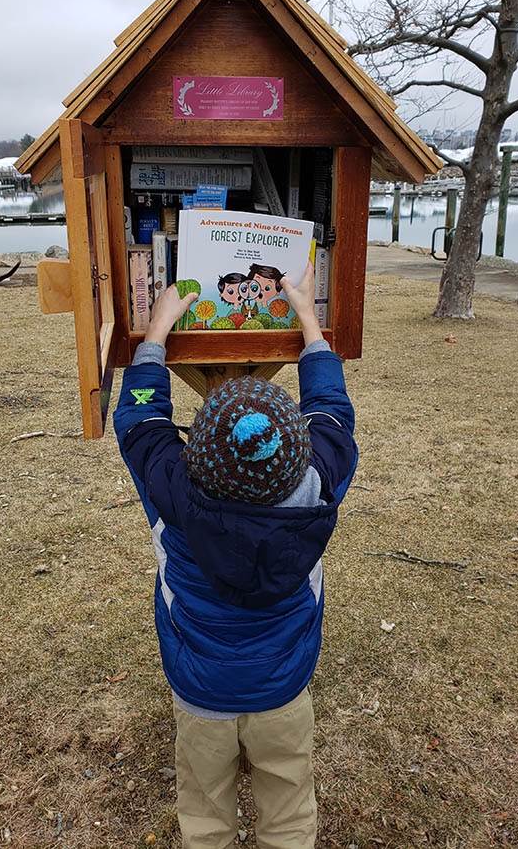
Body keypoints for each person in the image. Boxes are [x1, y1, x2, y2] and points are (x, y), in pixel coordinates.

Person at [113, 262, 358, 849]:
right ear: (297, 451)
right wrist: (307, 319)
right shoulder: (318, 485)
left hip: (200, 694)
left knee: (203, 800)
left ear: (195, 453)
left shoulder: (173, 493)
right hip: (284, 690)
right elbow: (332, 410)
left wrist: (156, 335)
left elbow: (141, 421)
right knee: (289, 795)